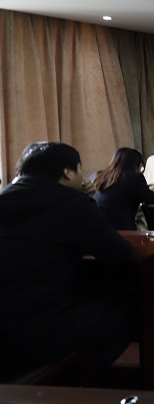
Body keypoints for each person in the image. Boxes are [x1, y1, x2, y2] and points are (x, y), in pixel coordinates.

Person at [0, 142, 133, 377]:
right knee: (126, 318)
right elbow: (120, 254)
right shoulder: (72, 203)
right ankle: (74, 383)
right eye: (80, 169)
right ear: (67, 172)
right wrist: (86, 200)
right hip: (35, 331)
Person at [92, 147, 154, 230]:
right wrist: (152, 190)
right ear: (137, 165)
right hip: (122, 230)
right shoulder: (133, 178)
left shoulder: (98, 175)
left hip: (97, 228)